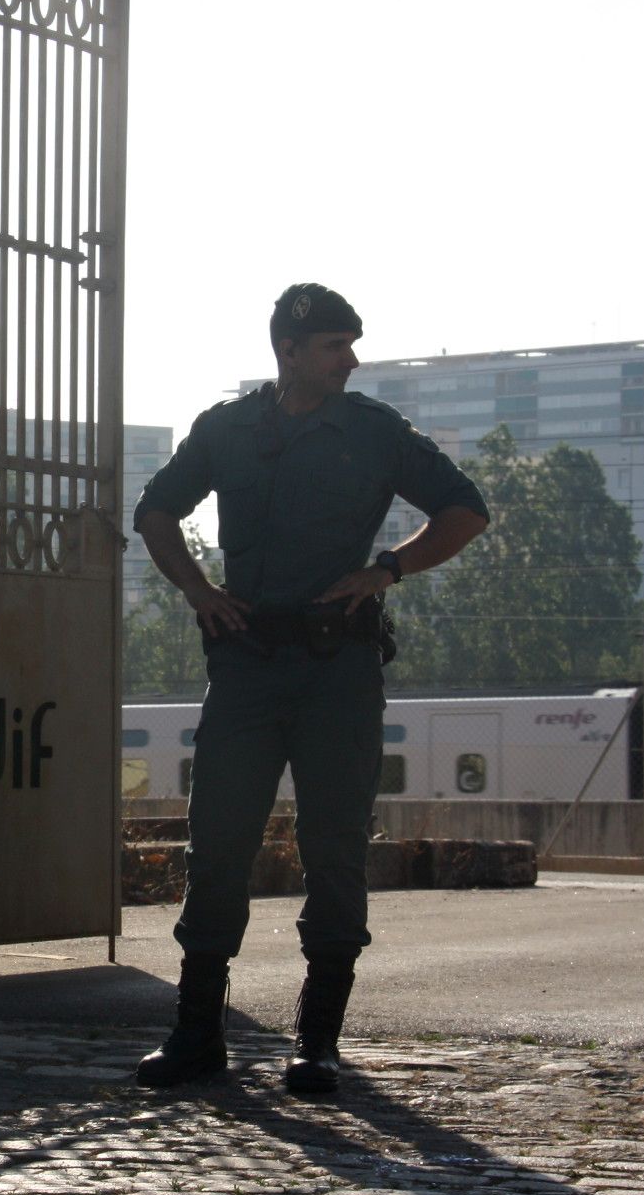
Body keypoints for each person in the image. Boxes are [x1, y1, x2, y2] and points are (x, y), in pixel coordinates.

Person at [130, 283, 490, 1095]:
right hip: (247, 665)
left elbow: (465, 510)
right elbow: (155, 510)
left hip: (338, 672)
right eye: (336, 345)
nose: (351, 360)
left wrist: (387, 567)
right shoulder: (226, 429)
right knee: (217, 843)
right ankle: (196, 1035)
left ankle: (317, 1041)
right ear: (289, 349)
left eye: (352, 344)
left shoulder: (372, 432)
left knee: (333, 847)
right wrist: (197, 590)